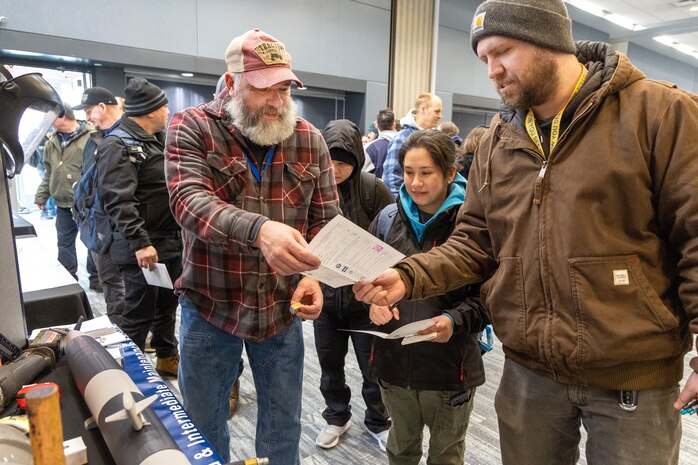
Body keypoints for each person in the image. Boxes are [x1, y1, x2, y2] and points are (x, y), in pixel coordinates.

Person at [354, 1, 698, 464]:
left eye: (503, 52)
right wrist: (409, 275)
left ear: (549, 40)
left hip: (631, 376)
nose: (492, 71)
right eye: (484, 60)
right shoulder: (498, 137)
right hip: (528, 372)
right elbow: (474, 241)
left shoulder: (659, 113)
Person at [164, 28, 340, 464]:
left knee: (284, 427)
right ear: (230, 84)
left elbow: (327, 223)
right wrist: (261, 231)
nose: (277, 101)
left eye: (284, 87)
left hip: (282, 312)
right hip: (211, 308)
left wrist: (316, 277)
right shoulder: (192, 128)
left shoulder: (308, 139)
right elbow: (189, 202)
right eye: (264, 89)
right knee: (203, 427)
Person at [368, 129, 487, 465]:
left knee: (446, 455)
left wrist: (454, 319)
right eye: (408, 173)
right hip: (394, 366)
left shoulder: (472, 224)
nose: (416, 183)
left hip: (450, 369)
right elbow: (364, 283)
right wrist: (372, 304)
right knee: (401, 450)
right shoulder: (387, 220)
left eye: (426, 173)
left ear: (450, 173)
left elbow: (489, 297)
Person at [314, 119, 393, 451]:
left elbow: (393, 237)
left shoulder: (373, 189)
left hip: (365, 299)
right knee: (329, 365)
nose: (335, 169)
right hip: (327, 299)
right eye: (329, 160)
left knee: (373, 367)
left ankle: (378, 420)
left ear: (357, 160)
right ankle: (336, 417)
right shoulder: (313, 188)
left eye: (344, 161)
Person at [97, 78, 181, 377]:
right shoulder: (117, 144)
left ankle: (166, 355)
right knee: (138, 314)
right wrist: (140, 242)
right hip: (142, 246)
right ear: (149, 111)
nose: (168, 112)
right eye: (164, 107)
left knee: (166, 306)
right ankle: (126, 374)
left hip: (166, 242)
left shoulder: (154, 140)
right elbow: (118, 200)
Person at [74, 86, 127, 326]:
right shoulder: (94, 140)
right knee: (110, 284)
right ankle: (122, 330)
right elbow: (88, 179)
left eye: (89, 111)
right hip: (97, 225)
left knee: (123, 287)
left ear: (103, 107)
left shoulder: (127, 137)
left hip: (121, 227)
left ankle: (127, 338)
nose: (86, 117)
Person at [34, 103, 92, 280]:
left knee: (93, 243)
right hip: (62, 204)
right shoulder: (52, 141)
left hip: (86, 204)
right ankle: (68, 277)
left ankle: (96, 278)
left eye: (49, 117)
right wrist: (42, 195)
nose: (46, 121)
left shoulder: (91, 137)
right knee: (64, 243)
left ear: (62, 116)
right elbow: (49, 172)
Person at [382, 93, 442, 197]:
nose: (440, 116)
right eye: (437, 111)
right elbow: (391, 179)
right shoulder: (402, 139)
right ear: (423, 109)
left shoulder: (437, 139)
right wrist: (401, 207)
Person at [365, 108, 398, 179]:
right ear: (394, 124)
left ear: (376, 124)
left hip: (377, 188)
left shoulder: (369, 148)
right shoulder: (406, 144)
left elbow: (362, 176)